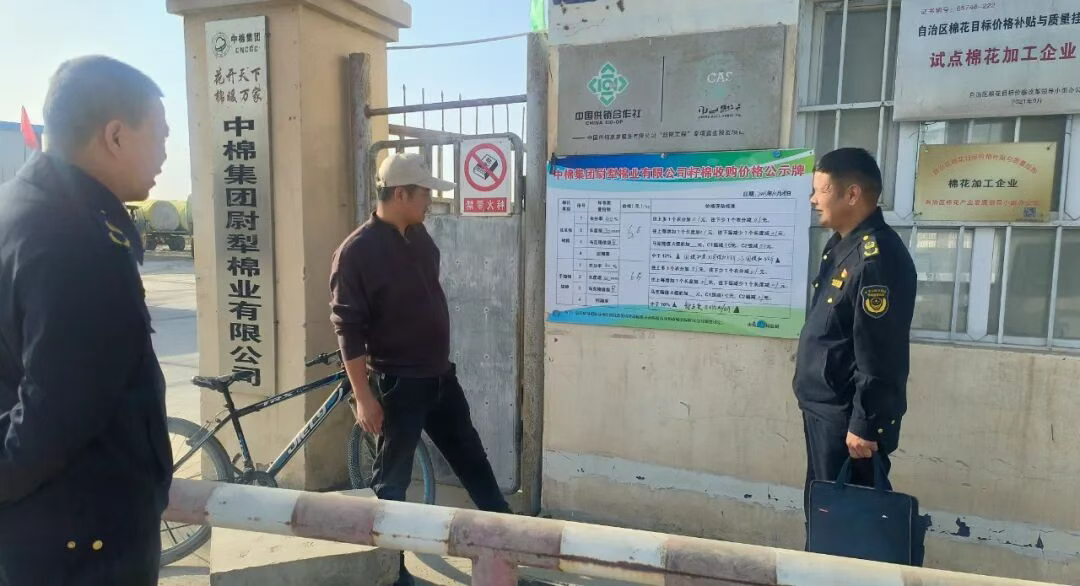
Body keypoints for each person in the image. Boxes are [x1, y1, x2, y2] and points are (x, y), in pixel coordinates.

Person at [0, 56, 172, 585]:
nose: (165, 154)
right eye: (160, 136)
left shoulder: (20, 205)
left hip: (46, 535)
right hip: (82, 546)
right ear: (115, 135)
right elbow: (55, 413)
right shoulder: (78, 240)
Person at [329, 152, 512, 585]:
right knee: (391, 484)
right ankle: (391, 575)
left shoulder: (419, 236)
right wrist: (364, 398)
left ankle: (510, 552)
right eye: (425, 193)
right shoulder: (356, 253)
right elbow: (348, 331)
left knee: (474, 462)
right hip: (399, 385)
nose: (430, 200)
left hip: (440, 378)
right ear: (400, 194)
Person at [793, 147, 917, 543]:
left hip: (849, 424)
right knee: (826, 515)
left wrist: (865, 424)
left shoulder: (876, 259)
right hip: (825, 411)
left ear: (852, 194)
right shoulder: (841, 246)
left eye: (821, 190)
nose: (813, 199)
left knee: (850, 528)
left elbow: (881, 351)